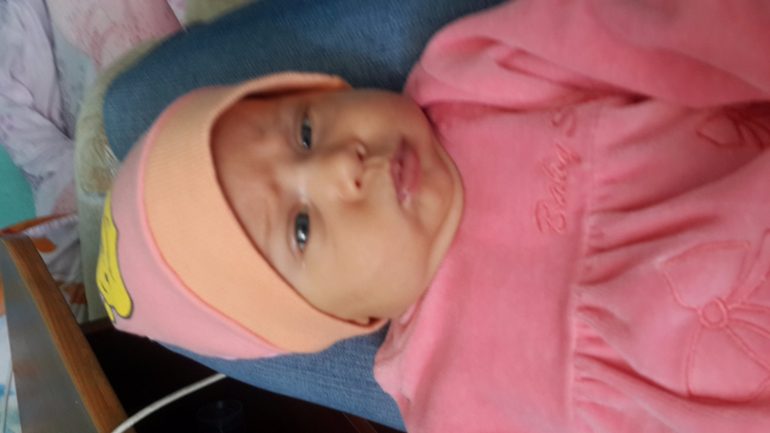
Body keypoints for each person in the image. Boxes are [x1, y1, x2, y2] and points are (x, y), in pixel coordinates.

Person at [97, 0, 770, 431]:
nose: (339, 165)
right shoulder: (446, 400)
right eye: (301, 227)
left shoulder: (474, 74)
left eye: (304, 130)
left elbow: (663, 31)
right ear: (343, 318)